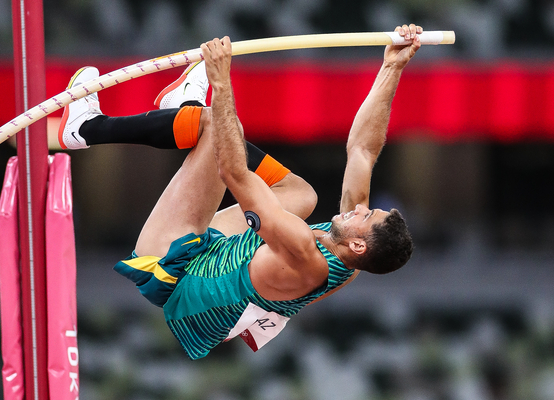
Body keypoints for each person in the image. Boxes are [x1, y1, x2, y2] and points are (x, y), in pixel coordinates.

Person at [58, 24, 420, 360]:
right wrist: (392, 67)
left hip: (172, 270)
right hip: (222, 257)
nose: (359, 208)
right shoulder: (353, 256)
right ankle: (182, 110)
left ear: (359, 245)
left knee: (216, 126)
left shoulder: (304, 255)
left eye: (366, 215)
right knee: (301, 195)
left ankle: (86, 128)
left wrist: (222, 83)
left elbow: (233, 173)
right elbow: (362, 149)